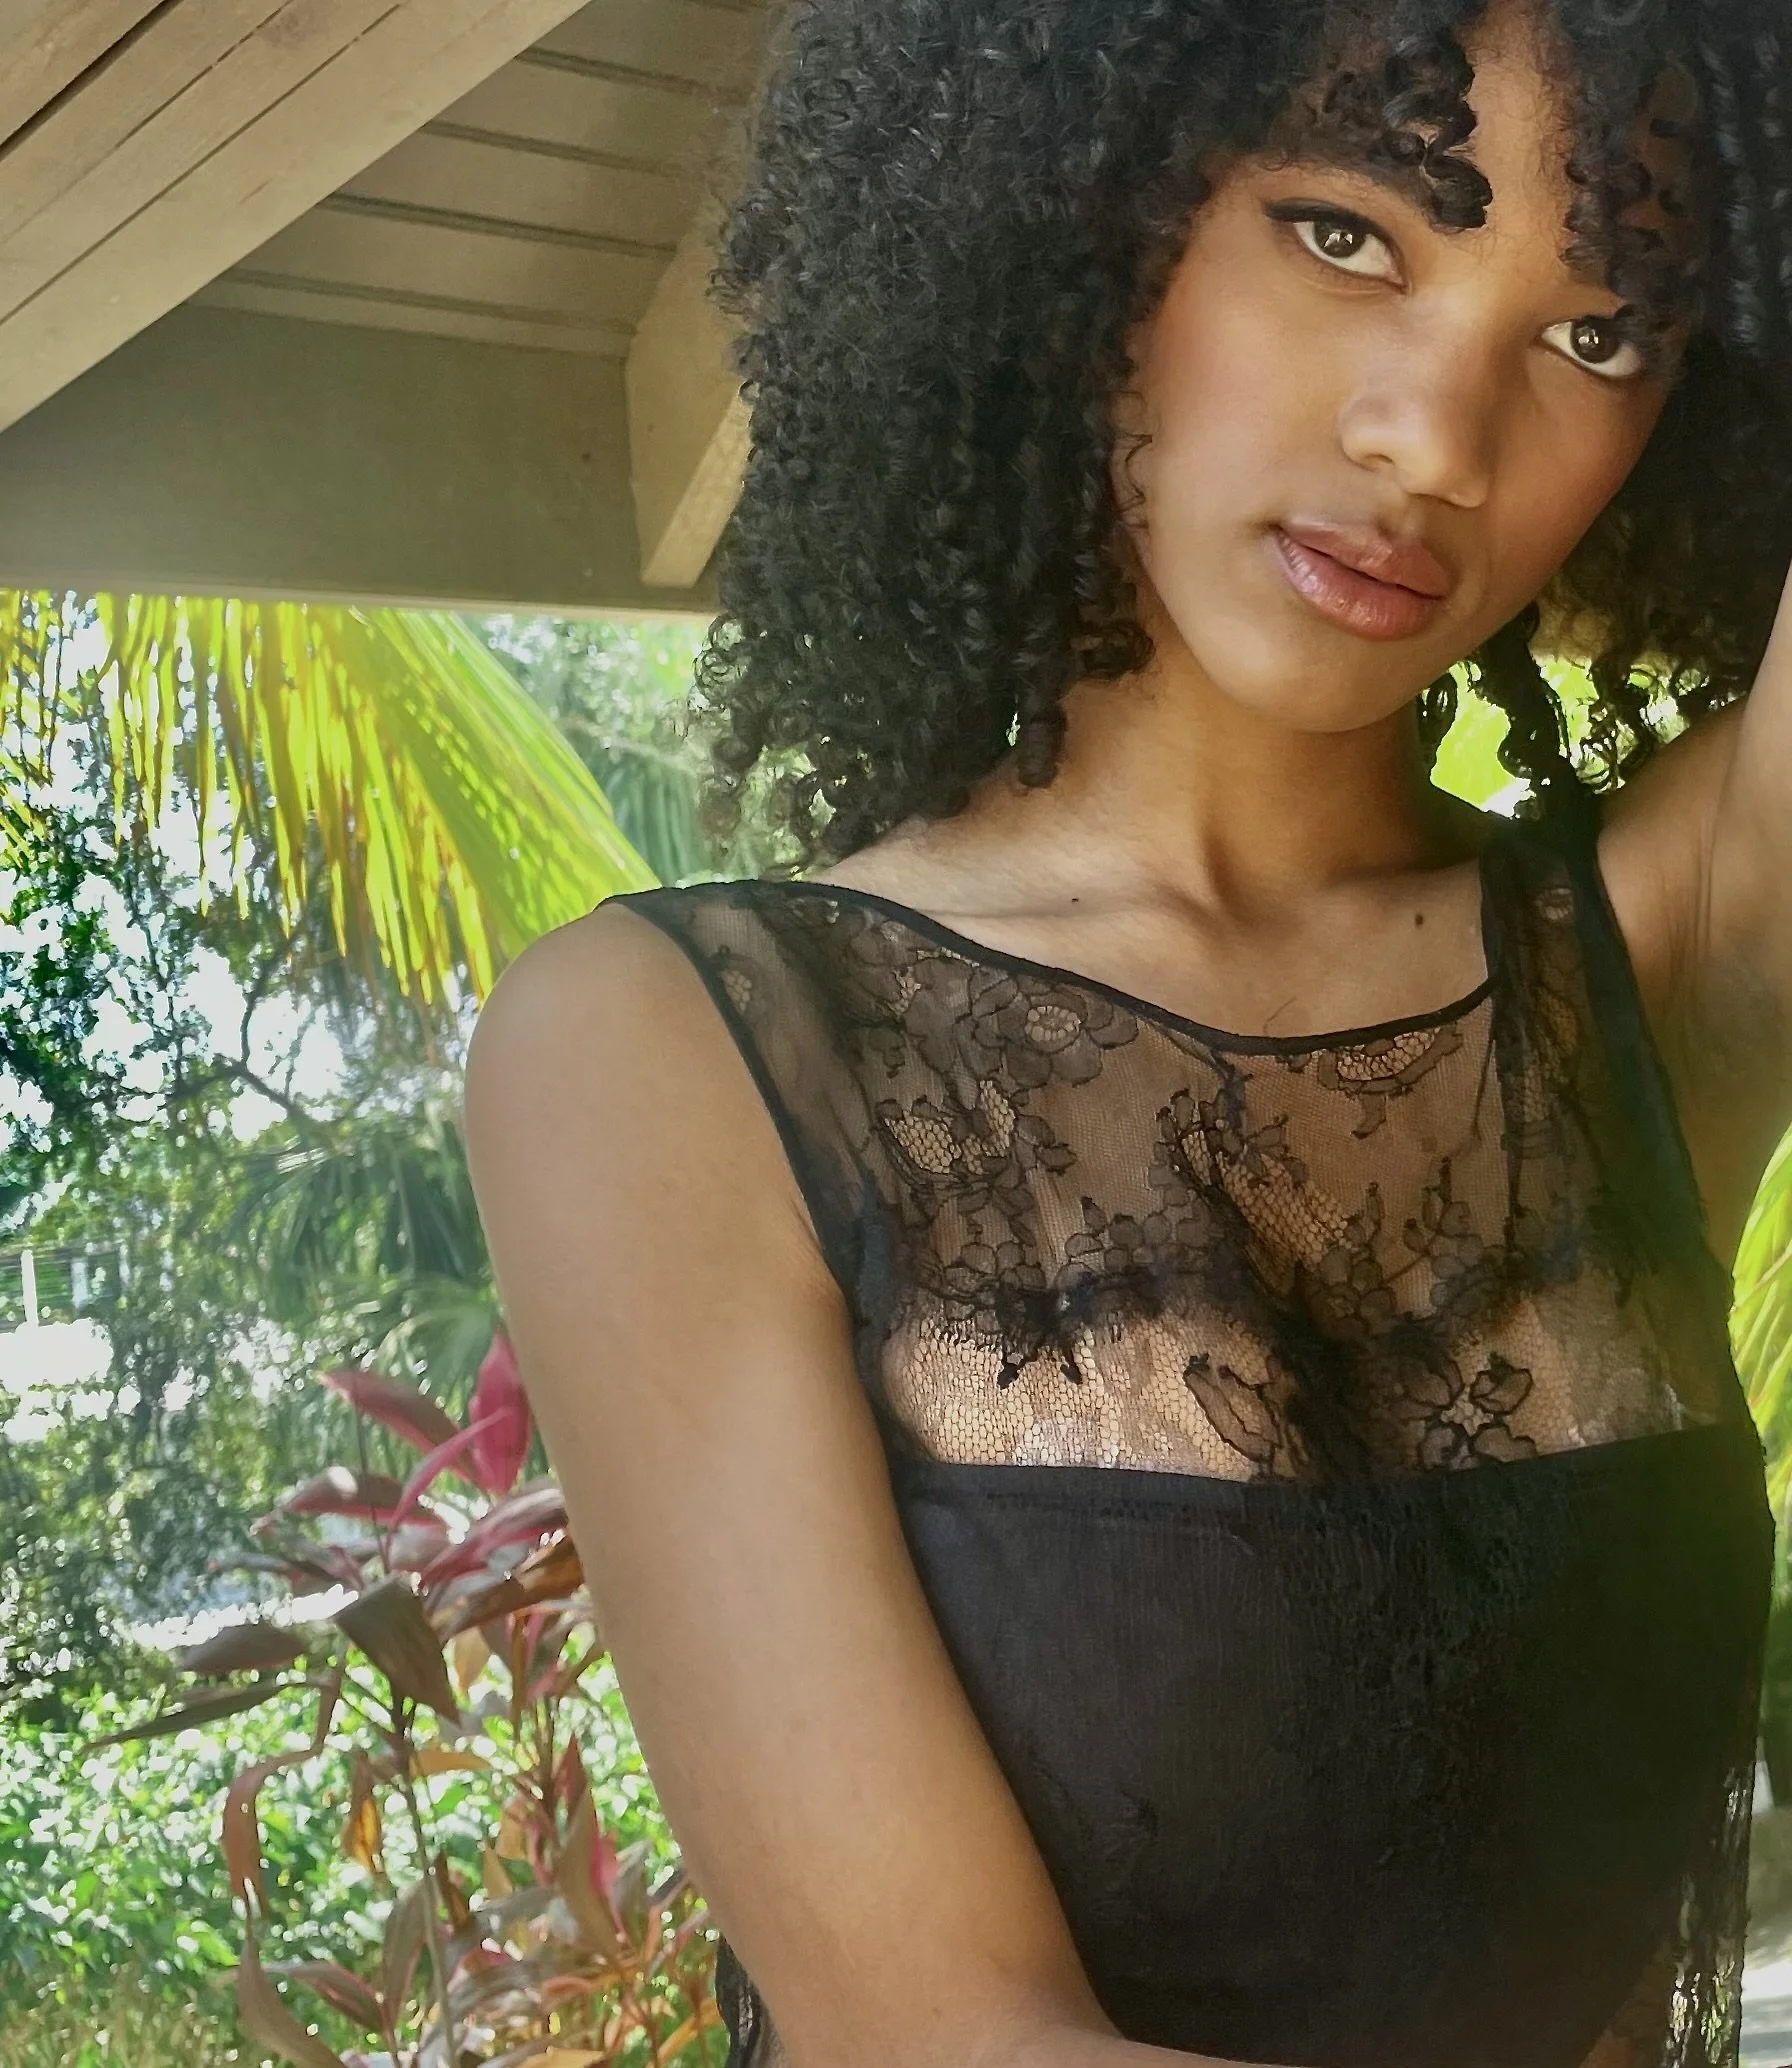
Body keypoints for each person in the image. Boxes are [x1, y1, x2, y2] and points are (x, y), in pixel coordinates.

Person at [463, 0, 1792, 2061]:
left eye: (1596, 334)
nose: (1435, 440)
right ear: (1077, 210)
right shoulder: (677, 1049)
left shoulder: (1659, 949)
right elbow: (946, 2033)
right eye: (1344, 232)